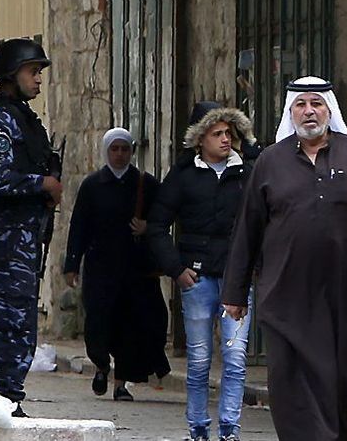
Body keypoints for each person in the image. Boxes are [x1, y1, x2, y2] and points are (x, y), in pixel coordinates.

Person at [221, 76, 347, 441]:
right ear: (290, 111)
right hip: (286, 300)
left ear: (329, 109)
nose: (309, 111)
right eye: (301, 104)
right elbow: (247, 228)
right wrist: (235, 293)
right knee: (296, 391)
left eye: (316, 103)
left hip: (346, 299)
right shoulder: (270, 162)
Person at [146, 104, 256, 441]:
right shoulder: (183, 176)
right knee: (198, 359)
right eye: (217, 134)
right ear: (200, 140)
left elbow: (265, 217)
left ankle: (229, 429)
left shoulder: (247, 172)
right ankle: (197, 428)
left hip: (237, 277)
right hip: (197, 276)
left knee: (236, 357)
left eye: (229, 133)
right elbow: (157, 225)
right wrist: (176, 269)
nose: (225, 140)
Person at [63, 127, 170, 401]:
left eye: (125, 149)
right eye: (115, 149)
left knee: (128, 326)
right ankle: (100, 364)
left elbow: (163, 218)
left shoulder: (146, 184)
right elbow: (79, 227)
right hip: (101, 269)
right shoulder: (92, 185)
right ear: (107, 151)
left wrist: (148, 227)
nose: (120, 154)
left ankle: (121, 384)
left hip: (134, 271)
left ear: (131, 151)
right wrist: (72, 264)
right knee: (98, 323)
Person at [0, 37, 61, 417]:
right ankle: (3, 396)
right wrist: (41, 184)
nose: (37, 80)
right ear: (11, 74)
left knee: (22, 320)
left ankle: (12, 395)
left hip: (28, 239)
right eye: (33, 72)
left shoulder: (27, 119)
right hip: (8, 243)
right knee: (9, 320)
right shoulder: (1, 118)